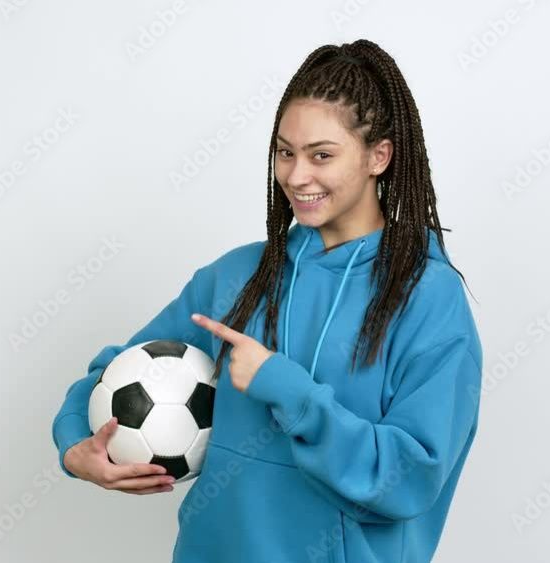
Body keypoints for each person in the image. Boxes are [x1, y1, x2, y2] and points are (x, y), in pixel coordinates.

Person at [51, 38, 483, 563]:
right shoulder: (238, 275)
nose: (296, 176)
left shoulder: (427, 297)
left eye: (321, 155)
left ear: (379, 156)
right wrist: (75, 446)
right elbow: (121, 371)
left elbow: (410, 477)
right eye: (285, 152)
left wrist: (292, 393)